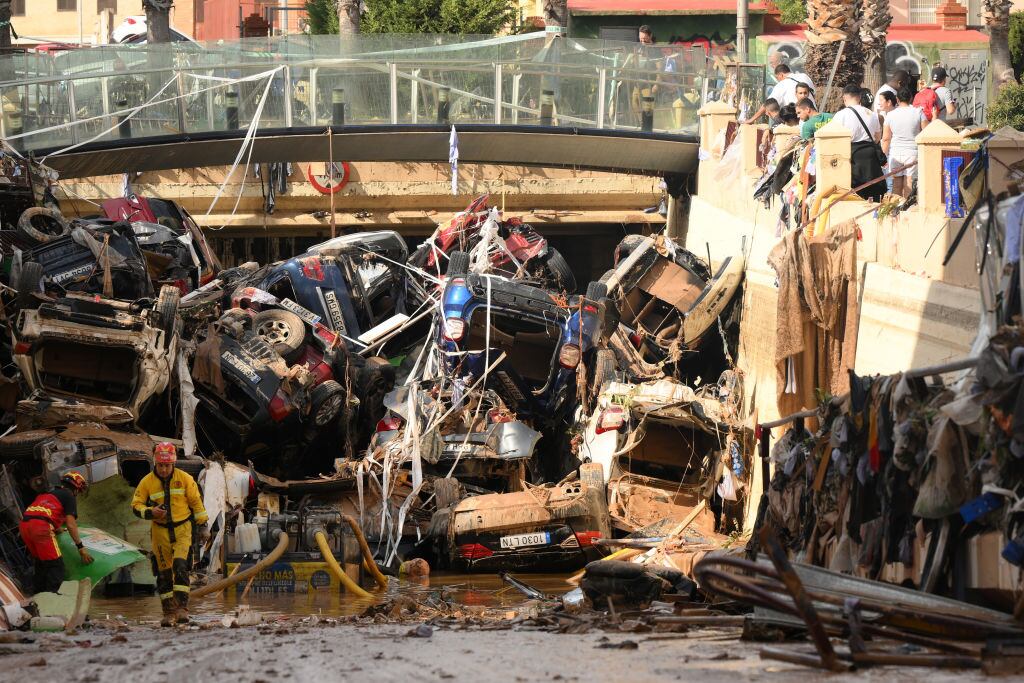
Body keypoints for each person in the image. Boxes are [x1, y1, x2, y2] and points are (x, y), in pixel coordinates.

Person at [132, 442, 209, 627]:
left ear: (173, 463)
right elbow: (136, 506)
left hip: (183, 529)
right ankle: (168, 612)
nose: (164, 469)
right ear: (155, 463)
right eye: (160, 465)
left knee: (181, 566)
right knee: (164, 574)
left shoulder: (185, 479)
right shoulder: (147, 482)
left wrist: (204, 526)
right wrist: (151, 512)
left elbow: (196, 504)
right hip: (160, 532)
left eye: (167, 465)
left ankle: (182, 609)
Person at [20, 471, 94, 594]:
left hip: (24, 526)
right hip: (40, 527)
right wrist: (81, 547)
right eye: (79, 491)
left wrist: (57, 529)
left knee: (41, 564)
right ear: (76, 488)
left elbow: (44, 513)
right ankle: (53, 602)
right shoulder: (68, 495)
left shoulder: (48, 494)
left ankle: (37, 598)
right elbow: (71, 524)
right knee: (56, 566)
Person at [832, 84, 887, 200]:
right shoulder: (872, 115)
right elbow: (877, 137)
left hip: (852, 156)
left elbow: (834, 140)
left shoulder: (841, 115)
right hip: (871, 157)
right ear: (859, 97)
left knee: (856, 194)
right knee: (874, 192)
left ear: (844, 98)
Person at [881, 87, 928, 199]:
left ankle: (895, 209)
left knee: (896, 184)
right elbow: (926, 132)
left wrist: (884, 155)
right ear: (911, 98)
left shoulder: (890, 115)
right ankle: (906, 210)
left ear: (897, 99)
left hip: (895, 153)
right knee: (909, 184)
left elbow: (886, 138)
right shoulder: (918, 112)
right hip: (912, 153)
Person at [744, 64, 815, 122]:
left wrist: (752, 119)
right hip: (813, 116)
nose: (777, 80)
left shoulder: (782, 84)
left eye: (777, 78)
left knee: (773, 111)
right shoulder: (804, 76)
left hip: (798, 120)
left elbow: (768, 104)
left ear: (781, 75)